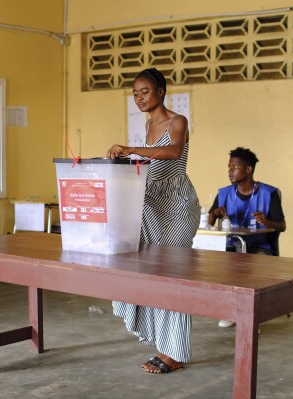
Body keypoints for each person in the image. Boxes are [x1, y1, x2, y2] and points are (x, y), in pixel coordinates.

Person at [106, 68, 201, 374]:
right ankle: (165, 345)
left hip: (175, 206)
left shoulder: (178, 121)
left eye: (144, 91)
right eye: (135, 93)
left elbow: (172, 152)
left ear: (162, 90)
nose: (139, 98)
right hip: (150, 205)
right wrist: (127, 161)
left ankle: (175, 352)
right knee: (149, 273)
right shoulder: (148, 125)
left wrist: (132, 148)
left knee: (173, 275)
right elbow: (152, 160)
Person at [207, 146, 286, 327]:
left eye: (234, 167)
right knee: (218, 264)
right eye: (229, 167)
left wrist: (268, 222)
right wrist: (216, 213)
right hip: (231, 246)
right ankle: (229, 311)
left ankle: (251, 319)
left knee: (252, 268)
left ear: (248, 170)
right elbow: (209, 222)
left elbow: (282, 225)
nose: (230, 171)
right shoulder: (224, 193)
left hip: (260, 248)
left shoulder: (269, 193)